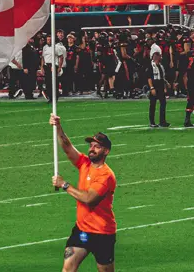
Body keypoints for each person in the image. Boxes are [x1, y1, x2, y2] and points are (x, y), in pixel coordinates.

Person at [50, 115, 117, 272]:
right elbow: (67, 147)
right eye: (91, 145)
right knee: (68, 268)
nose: (91, 149)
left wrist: (64, 185)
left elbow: (89, 199)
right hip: (82, 230)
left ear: (106, 151)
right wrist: (58, 126)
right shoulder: (85, 164)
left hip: (102, 233)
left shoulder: (105, 176)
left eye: (97, 146)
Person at [147, 51, 169, 128]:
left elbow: (162, 77)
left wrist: (166, 84)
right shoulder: (150, 66)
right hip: (154, 85)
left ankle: (162, 121)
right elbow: (149, 78)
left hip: (160, 86)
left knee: (163, 103)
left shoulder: (160, 66)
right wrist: (152, 87)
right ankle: (152, 122)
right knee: (153, 104)